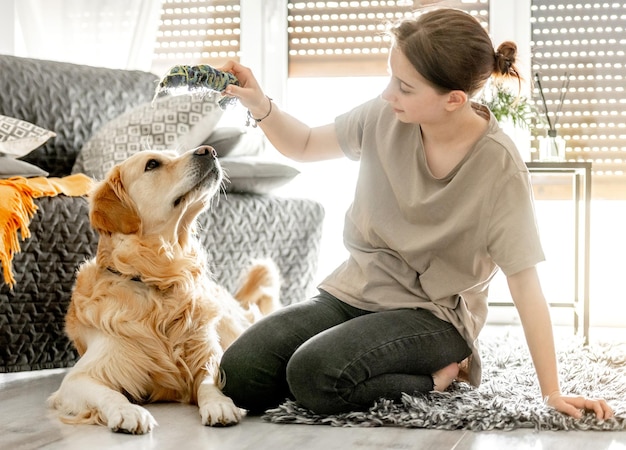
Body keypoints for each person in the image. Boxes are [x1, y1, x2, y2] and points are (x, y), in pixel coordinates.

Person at [217, 7, 614, 420]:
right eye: (391, 77)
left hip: (434, 315)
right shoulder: (384, 115)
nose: (390, 94)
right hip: (359, 289)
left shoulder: (499, 168)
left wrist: (552, 391)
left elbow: (525, 282)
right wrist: (258, 102)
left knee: (314, 373)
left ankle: (437, 378)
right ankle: (359, 363)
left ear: (454, 100)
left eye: (405, 86)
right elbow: (304, 144)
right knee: (239, 375)